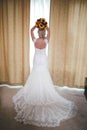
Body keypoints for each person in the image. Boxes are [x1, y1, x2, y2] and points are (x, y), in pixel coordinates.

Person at [13, 18, 77, 127]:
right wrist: (45, 26)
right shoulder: (46, 41)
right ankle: (43, 91)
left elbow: (30, 31)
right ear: (44, 32)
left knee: (36, 74)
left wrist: (35, 26)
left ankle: (36, 91)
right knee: (43, 74)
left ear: (38, 32)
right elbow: (50, 31)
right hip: (43, 59)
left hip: (37, 59)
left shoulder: (35, 41)